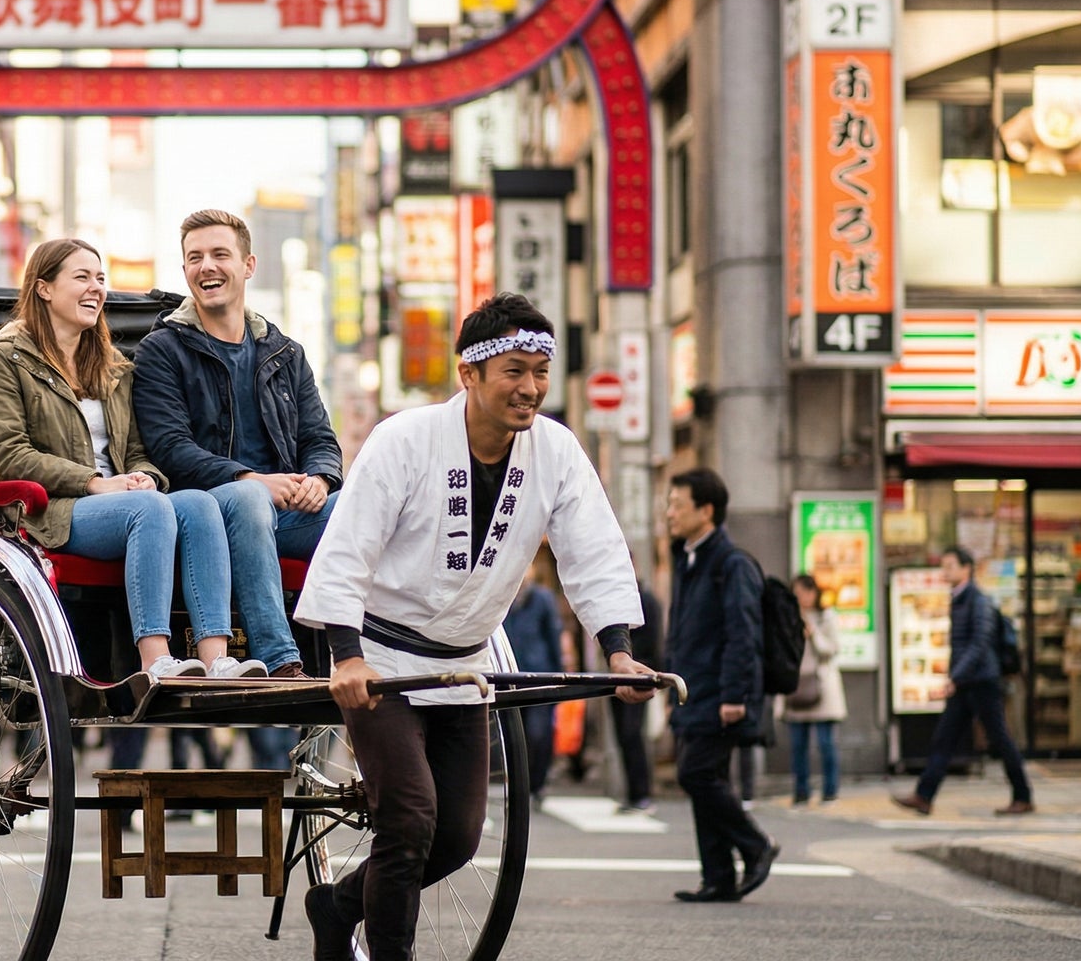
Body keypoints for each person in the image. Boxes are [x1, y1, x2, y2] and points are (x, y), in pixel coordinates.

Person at [292, 293, 656, 960]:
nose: (531, 388)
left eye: (540, 372)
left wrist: (618, 651)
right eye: (514, 371)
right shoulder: (405, 439)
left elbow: (593, 549)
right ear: (469, 374)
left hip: (464, 663)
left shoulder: (555, 451)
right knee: (409, 820)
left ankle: (336, 906)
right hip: (379, 657)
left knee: (457, 838)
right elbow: (348, 545)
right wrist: (346, 655)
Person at [0, 237, 265, 680]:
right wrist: (95, 483)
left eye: (100, 278)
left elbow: (135, 452)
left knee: (198, 503)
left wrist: (144, 476)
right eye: (82, 277)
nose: (96, 288)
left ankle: (216, 657)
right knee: (150, 509)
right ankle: (155, 658)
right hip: (54, 510)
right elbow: (9, 455)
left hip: (123, 501)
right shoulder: (4, 360)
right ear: (44, 288)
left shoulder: (111, 367)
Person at [132, 208, 346, 677]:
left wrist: (321, 479)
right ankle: (281, 660)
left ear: (248, 265)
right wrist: (250, 478)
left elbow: (319, 437)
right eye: (195, 258)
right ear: (184, 269)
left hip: (284, 510)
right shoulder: (162, 350)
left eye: (219, 254)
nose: (206, 266)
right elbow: (170, 447)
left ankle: (379, 655)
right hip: (205, 509)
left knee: (365, 508)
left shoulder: (285, 352)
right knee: (249, 499)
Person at [664, 467, 780, 903]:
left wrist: (735, 695)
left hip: (720, 694)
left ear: (706, 511)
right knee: (705, 777)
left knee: (695, 773)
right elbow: (683, 631)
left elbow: (743, 634)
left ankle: (756, 845)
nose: (670, 513)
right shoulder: (689, 559)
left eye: (678, 505)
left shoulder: (732, 565)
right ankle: (717, 877)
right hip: (694, 690)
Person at [893, 545, 1034, 817]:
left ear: (966, 569)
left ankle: (1023, 795)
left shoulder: (978, 601)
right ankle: (924, 796)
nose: (944, 572)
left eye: (950, 566)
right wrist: (956, 677)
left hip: (982, 681)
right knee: (944, 739)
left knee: (999, 739)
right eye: (943, 566)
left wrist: (955, 676)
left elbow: (979, 643)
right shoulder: (958, 598)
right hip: (965, 681)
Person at [782, 574, 846, 806]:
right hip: (796, 686)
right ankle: (801, 792)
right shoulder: (787, 617)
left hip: (822, 687)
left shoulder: (826, 617)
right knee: (798, 746)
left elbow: (832, 649)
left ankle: (830, 791)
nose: (802, 598)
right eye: (797, 593)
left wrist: (813, 633)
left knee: (826, 744)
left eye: (806, 593)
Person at [501, 571, 563, 803]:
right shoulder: (503, 596)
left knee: (538, 733)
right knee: (514, 735)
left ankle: (538, 783)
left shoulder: (543, 598)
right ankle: (520, 785)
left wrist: (558, 675)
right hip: (510, 676)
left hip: (539, 676)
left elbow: (553, 638)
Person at [612, 578, 664, 813]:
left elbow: (655, 641)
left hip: (640, 674)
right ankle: (634, 793)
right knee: (623, 736)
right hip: (616, 676)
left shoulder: (647, 600)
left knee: (632, 733)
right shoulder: (615, 600)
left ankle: (642, 794)